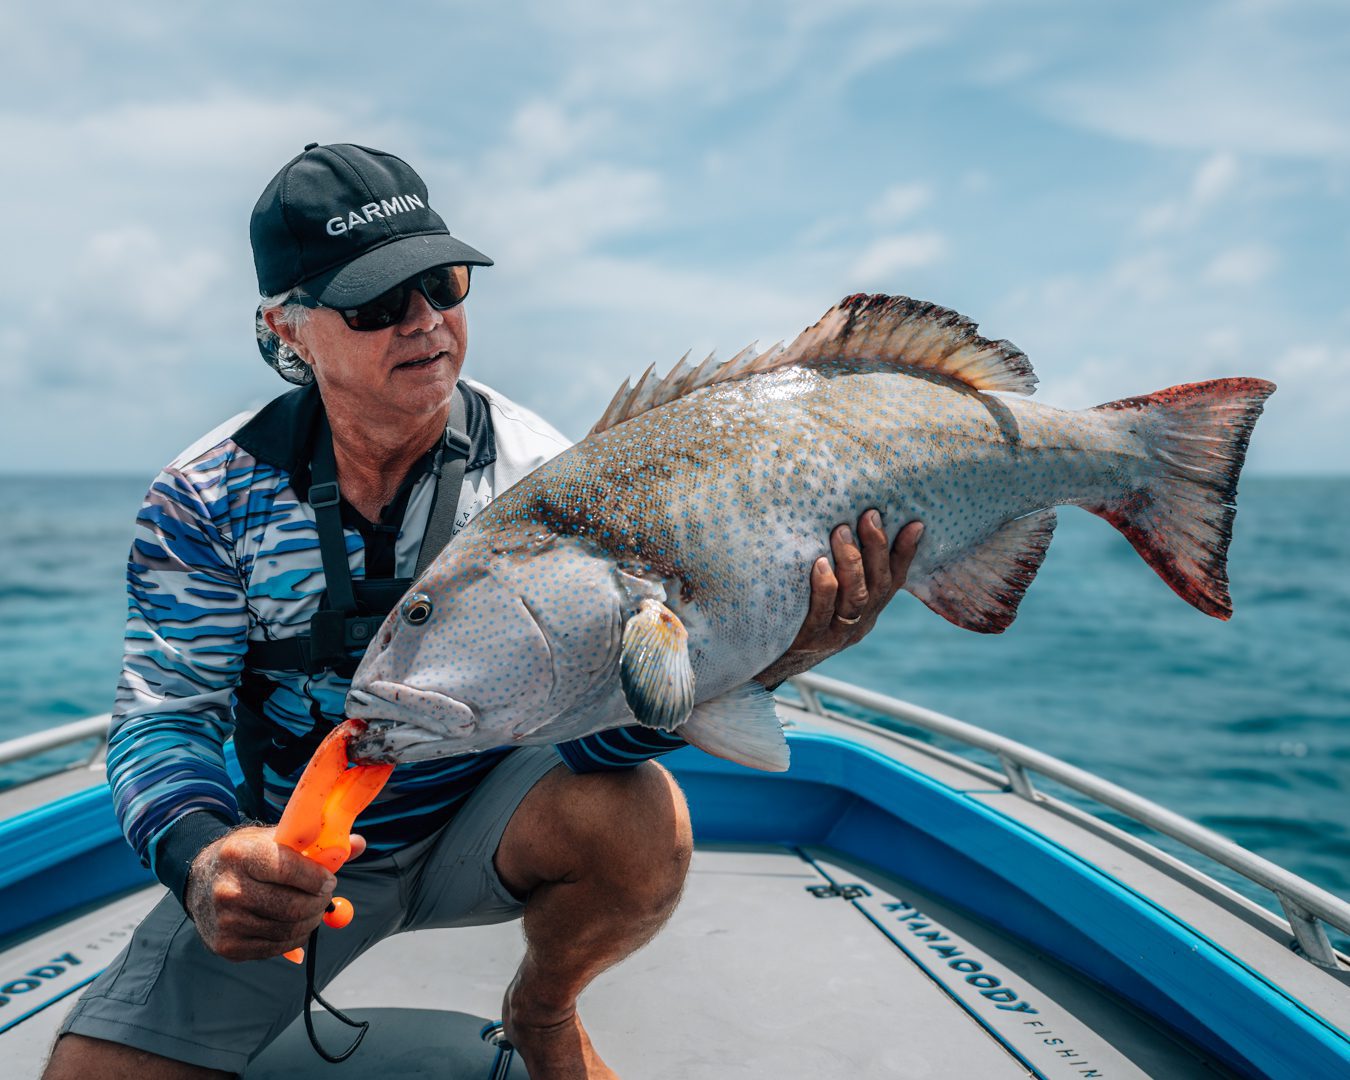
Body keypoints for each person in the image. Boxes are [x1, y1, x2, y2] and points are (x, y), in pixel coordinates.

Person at [44, 143, 923, 1080]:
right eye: (378, 303)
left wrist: (757, 662)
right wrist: (205, 859)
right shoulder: (207, 495)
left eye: (444, 282)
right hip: (297, 854)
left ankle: (544, 1007)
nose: (424, 322)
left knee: (642, 821)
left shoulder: (544, 475)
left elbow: (593, 741)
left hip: (487, 817)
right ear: (287, 329)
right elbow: (164, 718)